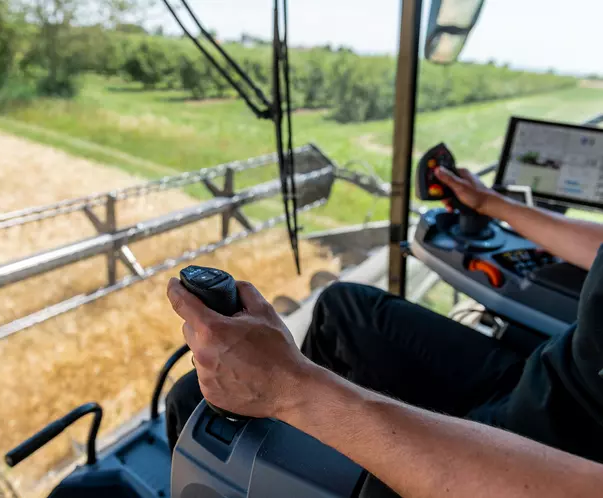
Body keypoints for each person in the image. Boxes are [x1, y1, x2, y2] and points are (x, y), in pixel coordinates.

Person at [164, 166, 603, 497]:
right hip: (550, 380)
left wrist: (291, 388)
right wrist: (490, 204)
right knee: (345, 306)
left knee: (194, 405)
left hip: (543, 458)